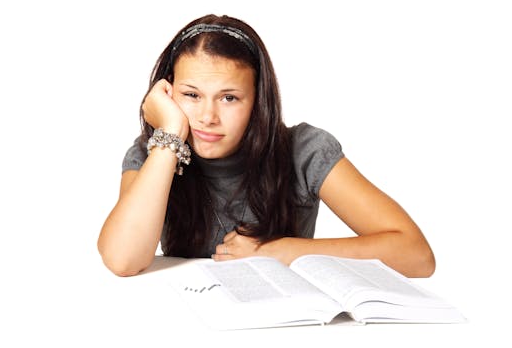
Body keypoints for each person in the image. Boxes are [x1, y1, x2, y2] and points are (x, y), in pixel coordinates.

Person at [97, 14, 436, 278]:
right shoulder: (154, 154)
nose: (208, 116)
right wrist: (170, 133)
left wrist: (281, 251)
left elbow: (416, 255)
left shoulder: (304, 150)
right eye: (191, 95)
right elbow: (122, 260)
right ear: (168, 93)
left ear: (258, 100)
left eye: (229, 98)